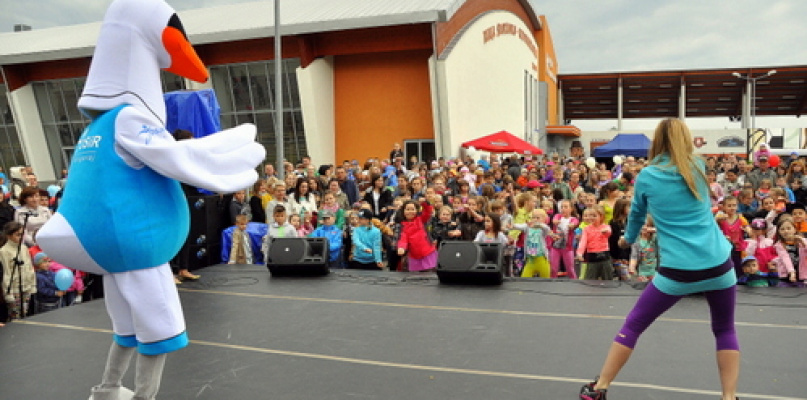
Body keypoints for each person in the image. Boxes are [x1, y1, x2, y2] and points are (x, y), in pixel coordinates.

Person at [579, 118, 738, 400]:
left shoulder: (649, 176)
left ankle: (600, 387)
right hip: (719, 264)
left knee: (633, 325)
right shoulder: (698, 167)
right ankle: (729, 397)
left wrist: (627, 239)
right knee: (724, 329)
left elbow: (637, 215)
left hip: (679, 270)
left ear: (657, 141)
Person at [1, 221, 37, 320]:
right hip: (14, 289)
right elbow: (6, 273)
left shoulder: (24, 248)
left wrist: (32, 285)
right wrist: (8, 294)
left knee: (24, 314)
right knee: (15, 316)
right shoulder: (4, 251)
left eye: (22, 234)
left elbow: (30, 267)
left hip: (26, 287)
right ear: (9, 235)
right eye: (17, 235)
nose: (21, 237)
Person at [395, 198, 437, 272]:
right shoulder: (403, 226)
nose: (410, 212)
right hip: (414, 257)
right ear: (403, 211)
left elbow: (428, 211)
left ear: (417, 210)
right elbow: (403, 239)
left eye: (412, 209)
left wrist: (424, 203)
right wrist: (401, 248)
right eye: (407, 209)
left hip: (428, 253)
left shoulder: (421, 219)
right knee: (416, 279)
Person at [576, 206, 613, 280]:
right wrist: (579, 253)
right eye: (590, 215)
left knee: (608, 279)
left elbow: (608, 233)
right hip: (592, 258)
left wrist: (606, 231)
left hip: (604, 258)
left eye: (594, 215)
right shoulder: (586, 229)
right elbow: (583, 242)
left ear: (601, 216)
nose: (591, 217)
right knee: (590, 280)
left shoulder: (606, 227)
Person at [514, 209, 552, 278]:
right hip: (530, 261)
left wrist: (538, 225)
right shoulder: (527, 228)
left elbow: (547, 228)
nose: (535, 219)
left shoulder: (542, 230)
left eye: (538, 218)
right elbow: (520, 226)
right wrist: (512, 226)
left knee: (546, 282)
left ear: (544, 219)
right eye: (533, 217)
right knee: (524, 279)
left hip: (541, 260)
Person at [769, 218, 805, 287]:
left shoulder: (801, 241)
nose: (786, 231)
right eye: (782, 229)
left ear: (794, 229)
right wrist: (791, 272)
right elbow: (785, 258)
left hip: (801, 276)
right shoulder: (779, 245)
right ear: (778, 231)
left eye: (788, 228)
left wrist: (802, 241)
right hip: (786, 277)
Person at [549, 199, 579, 279]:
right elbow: (554, 219)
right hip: (555, 247)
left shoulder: (573, 219)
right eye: (561, 207)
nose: (563, 209)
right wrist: (555, 221)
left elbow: (575, 223)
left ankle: (574, 282)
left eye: (566, 207)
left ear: (571, 209)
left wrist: (572, 225)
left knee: (570, 269)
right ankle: (552, 282)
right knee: (553, 268)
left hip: (567, 248)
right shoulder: (558, 216)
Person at [627, 216, 659, 282]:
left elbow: (663, 233)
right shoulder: (637, 241)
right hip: (642, 274)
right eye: (642, 225)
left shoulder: (655, 238)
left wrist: (653, 230)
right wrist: (632, 267)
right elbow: (634, 256)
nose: (644, 227)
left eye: (647, 225)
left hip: (655, 273)